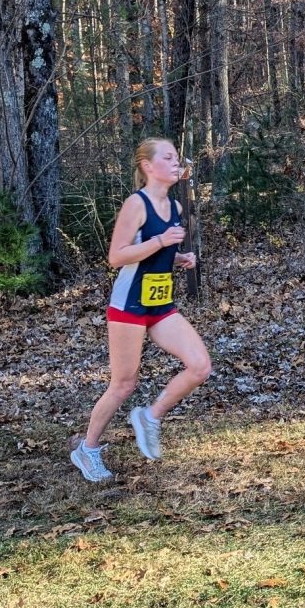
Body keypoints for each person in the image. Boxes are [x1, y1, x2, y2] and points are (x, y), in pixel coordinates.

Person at [70, 138, 212, 482]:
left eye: (176, 157)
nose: (176, 163)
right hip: (129, 304)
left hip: (160, 304)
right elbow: (117, 256)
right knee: (123, 383)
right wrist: (162, 242)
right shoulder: (137, 204)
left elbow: (153, 257)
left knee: (200, 366)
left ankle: (150, 416)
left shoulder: (175, 208)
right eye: (168, 157)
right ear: (149, 167)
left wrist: (178, 259)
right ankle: (87, 450)